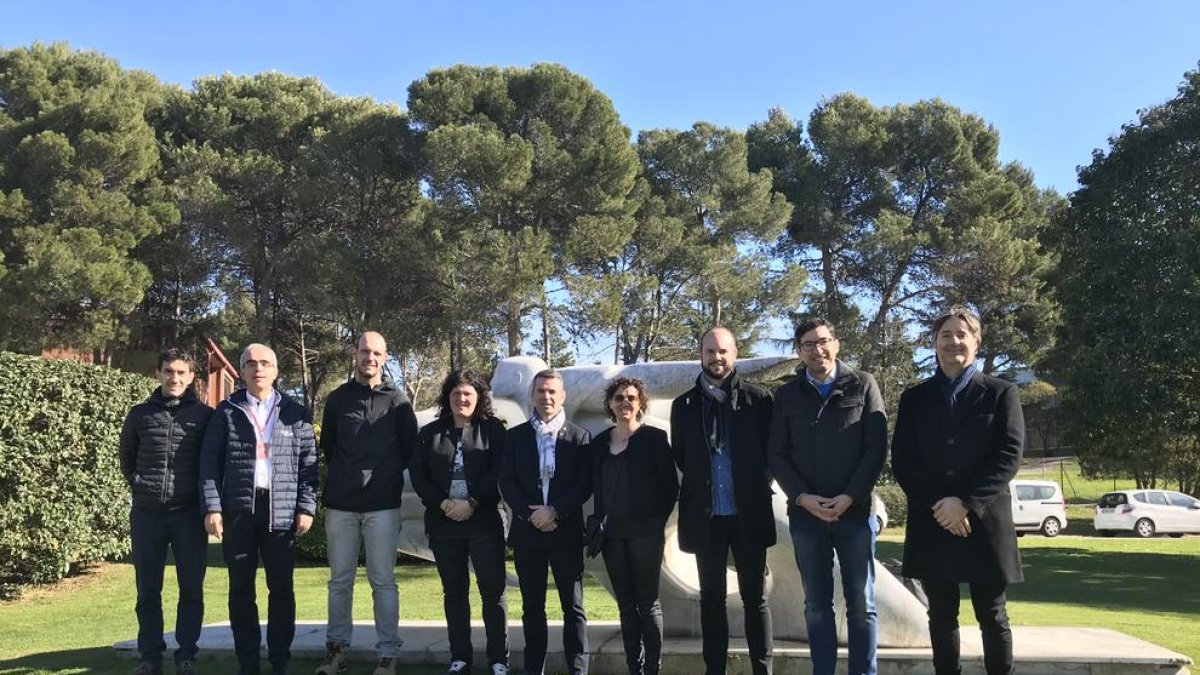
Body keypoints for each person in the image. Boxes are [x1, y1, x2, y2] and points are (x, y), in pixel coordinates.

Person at [892, 308, 1025, 675]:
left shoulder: (1001, 393)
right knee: (941, 616)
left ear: (976, 342)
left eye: (962, 334)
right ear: (934, 343)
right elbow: (903, 459)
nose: (954, 341)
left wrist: (965, 503)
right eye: (946, 335)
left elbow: (1009, 455)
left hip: (985, 521)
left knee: (992, 614)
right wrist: (941, 506)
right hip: (933, 521)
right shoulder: (914, 398)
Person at [767, 318, 888, 675]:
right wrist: (802, 497)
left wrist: (850, 496)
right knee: (817, 606)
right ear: (798, 351)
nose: (817, 350)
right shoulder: (786, 395)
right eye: (808, 344)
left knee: (861, 605)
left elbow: (875, 448)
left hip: (855, 513)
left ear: (836, 344)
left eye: (823, 342)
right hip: (806, 516)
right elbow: (777, 454)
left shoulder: (863, 384)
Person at [199, 343, 319, 675]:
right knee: (241, 590)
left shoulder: (295, 412)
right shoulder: (226, 411)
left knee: (281, 589)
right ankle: (248, 663)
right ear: (241, 371)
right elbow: (209, 462)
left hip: (280, 512)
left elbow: (308, 464)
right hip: (238, 511)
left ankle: (280, 661)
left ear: (276, 371)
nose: (258, 369)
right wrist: (212, 507)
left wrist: (306, 506)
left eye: (265, 363)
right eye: (250, 363)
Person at [669, 327, 775, 675]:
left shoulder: (759, 400)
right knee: (711, 599)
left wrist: (753, 484)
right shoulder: (684, 405)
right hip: (707, 516)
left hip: (748, 513)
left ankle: (762, 669)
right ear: (701, 354)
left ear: (735, 354)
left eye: (723, 351)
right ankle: (714, 669)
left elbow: (771, 453)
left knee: (755, 598)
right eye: (710, 351)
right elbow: (682, 455)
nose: (717, 357)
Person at [315, 332, 419, 675]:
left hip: (382, 506)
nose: (369, 358)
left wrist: (383, 478)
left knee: (383, 582)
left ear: (384, 357)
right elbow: (329, 447)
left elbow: (409, 450)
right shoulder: (337, 400)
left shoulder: (399, 401)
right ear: (354, 354)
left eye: (376, 353)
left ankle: (388, 654)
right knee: (339, 582)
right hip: (341, 505)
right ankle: (336, 651)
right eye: (364, 351)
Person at [409, 370, 510, 675]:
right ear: (447, 397)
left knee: (493, 593)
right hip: (444, 525)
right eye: (456, 393)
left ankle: (498, 660)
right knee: (454, 593)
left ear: (479, 397)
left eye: (468, 393)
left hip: (484, 524)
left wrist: (473, 502)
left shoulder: (493, 429)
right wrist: (443, 503)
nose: (461, 399)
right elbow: (419, 475)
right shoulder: (430, 432)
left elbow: (500, 471)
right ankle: (460, 657)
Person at [119, 348, 213, 675]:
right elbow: (127, 459)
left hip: (188, 516)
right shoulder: (139, 415)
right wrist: (140, 483)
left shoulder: (205, 416)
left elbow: (210, 462)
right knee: (148, 591)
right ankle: (150, 657)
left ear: (191, 377)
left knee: (191, 589)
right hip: (147, 515)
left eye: (181, 372)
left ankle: (186, 655)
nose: (174, 378)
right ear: (158, 373)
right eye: (168, 371)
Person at [500, 369, 592, 675]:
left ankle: (578, 668)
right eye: (541, 391)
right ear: (532, 395)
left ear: (562, 396)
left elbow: (584, 484)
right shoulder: (515, 437)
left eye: (552, 391)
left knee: (573, 606)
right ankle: (533, 668)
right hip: (528, 533)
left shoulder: (579, 437)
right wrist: (532, 515)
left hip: (565, 532)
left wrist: (554, 511)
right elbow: (507, 481)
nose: (546, 396)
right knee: (532, 607)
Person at [590, 377, 678, 675]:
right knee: (626, 605)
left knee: (648, 604)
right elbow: (594, 487)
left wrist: (654, 523)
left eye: (631, 397)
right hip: (612, 536)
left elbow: (669, 488)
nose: (625, 402)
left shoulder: (654, 439)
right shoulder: (599, 443)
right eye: (618, 397)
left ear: (640, 403)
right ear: (610, 404)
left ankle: (652, 668)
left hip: (646, 535)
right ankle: (634, 667)